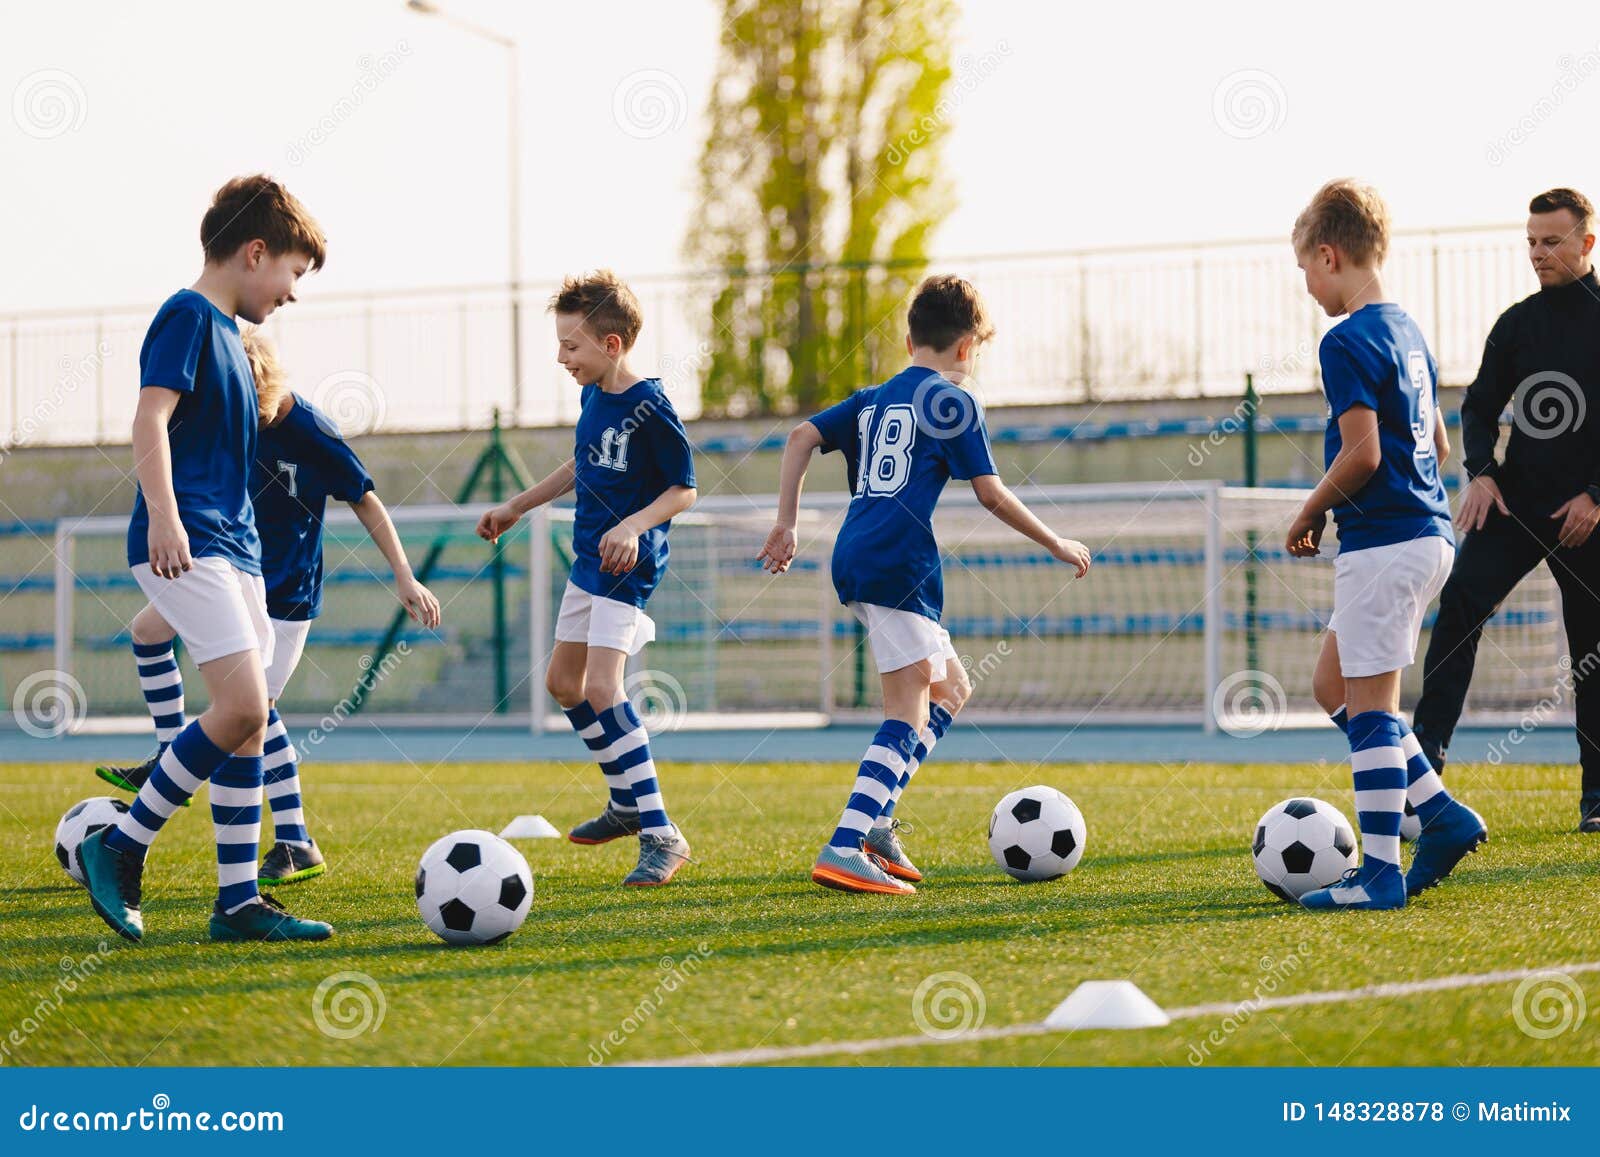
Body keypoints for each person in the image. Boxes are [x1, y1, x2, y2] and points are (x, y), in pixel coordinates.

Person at [759, 274, 1091, 895]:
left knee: (952, 687)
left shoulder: (874, 397)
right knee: (906, 716)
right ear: (967, 349)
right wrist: (1055, 542)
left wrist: (787, 523)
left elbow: (801, 436)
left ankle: (878, 823)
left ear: (910, 338)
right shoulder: (954, 402)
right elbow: (990, 493)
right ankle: (845, 844)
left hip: (860, 553)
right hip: (897, 562)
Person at [78, 175, 333, 942]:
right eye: (291, 272)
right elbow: (147, 419)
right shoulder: (187, 316)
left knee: (249, 726)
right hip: (188, 544)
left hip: (237, 549)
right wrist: (163, 516)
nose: (291, 294)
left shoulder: (232, 336)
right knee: (244, 708)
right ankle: (119, 847)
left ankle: (238, 902)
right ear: (255, 252)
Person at [95, 328, 441, 885]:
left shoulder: (309, 431)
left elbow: (365, 499)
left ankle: (292, 840)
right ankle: (170, 755)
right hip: (236, 576)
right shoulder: (229, 425)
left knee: (254, 713)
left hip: (286, 599)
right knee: (148, 631)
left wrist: (404, 576)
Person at [1287, 179, 1485, 910]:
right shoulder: (1409, 331)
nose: (1308, 287)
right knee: (1331, 688)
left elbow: (1363, 454)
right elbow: (1434, 437)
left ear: (1330, 255)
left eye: (1307, 269)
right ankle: (1439, 813)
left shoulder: (1343, 339)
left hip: (1384, 541)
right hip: (1429, 533)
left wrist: (1309, 510)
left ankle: (1378, 873)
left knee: (1370, 708)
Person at [477, 271, 697, 885]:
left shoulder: (653, 406)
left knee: (604, 686)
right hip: (587, 563)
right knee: (563, 683)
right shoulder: (592, 398)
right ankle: (626, 802)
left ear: (613, 344)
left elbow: (684, 489)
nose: (560, 357)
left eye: (571, 346)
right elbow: (582, 464)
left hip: (628, 566)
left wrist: (632, 526)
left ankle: (661, 833)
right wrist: (518, 505)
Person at [1411, 188, 1600, 833]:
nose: (1539, 253)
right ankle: (1422, 772)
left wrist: (1595, 496)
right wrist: (1483, 474)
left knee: (1590, 653)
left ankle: (1597, 797)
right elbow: (1477, 406)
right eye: (1531, 242)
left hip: (1589, 517)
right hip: (1516, 504)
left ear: (1586, 243)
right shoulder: (1517, 322)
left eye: (1552, 241)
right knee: (1460, 605)